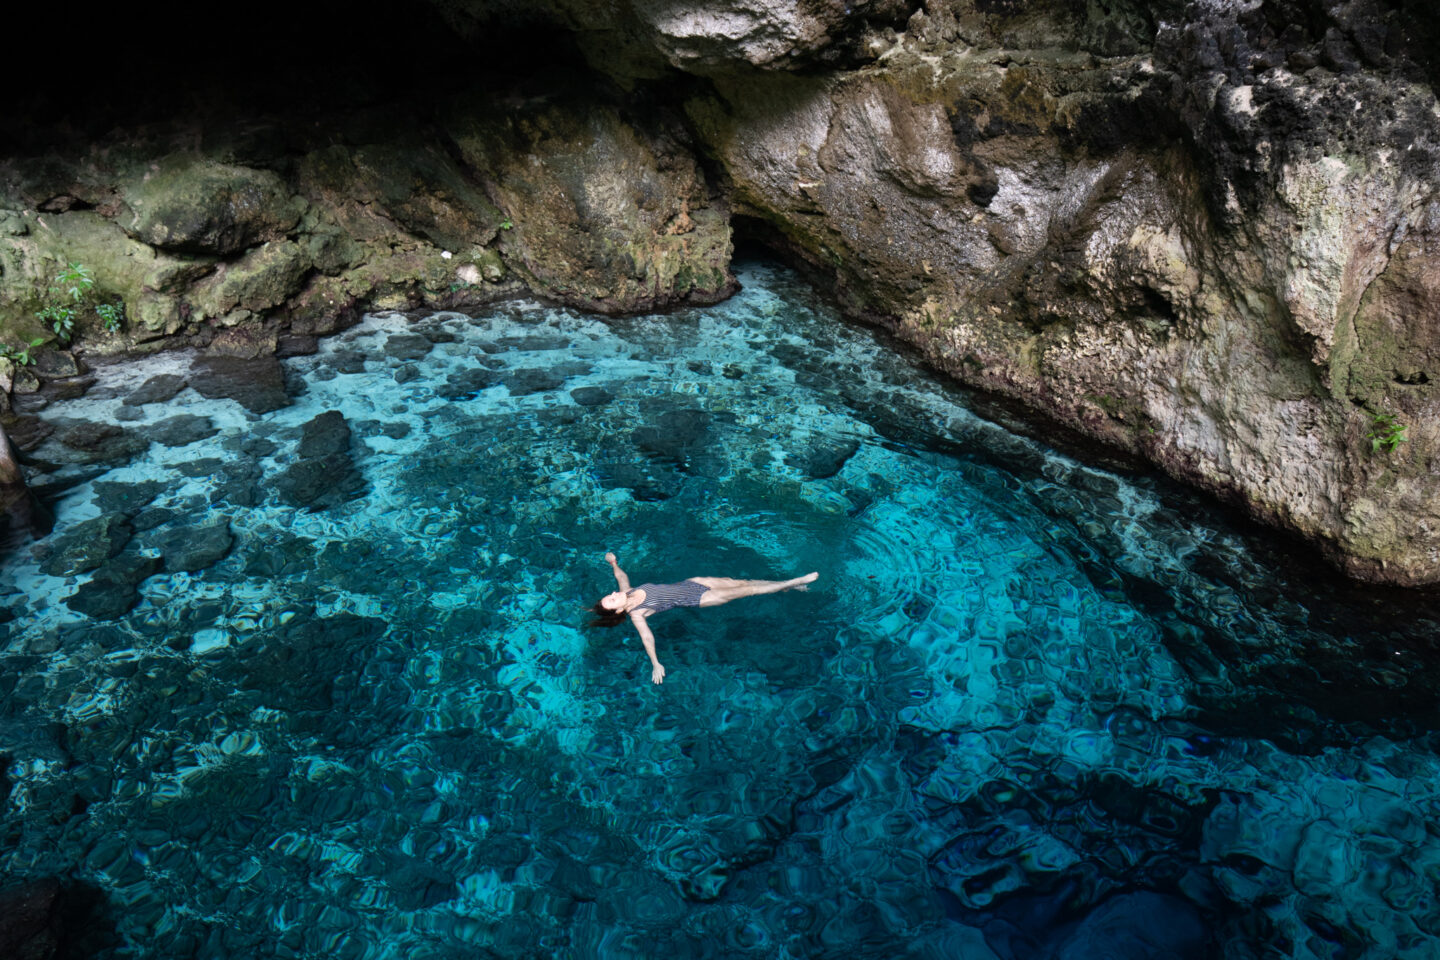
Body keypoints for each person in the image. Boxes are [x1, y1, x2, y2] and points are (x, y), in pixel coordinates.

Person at [589, 552, 818, 684]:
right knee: (750, 591)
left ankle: (787, 588)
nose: (612, 594)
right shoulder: (637, 613)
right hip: (703, 598)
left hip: (695, 583)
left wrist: (613, 563)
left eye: (608, 595)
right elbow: (647, 637)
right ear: (618, 611)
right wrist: (656, 663)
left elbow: (621, 576)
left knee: (744, 583)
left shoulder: (626, 591)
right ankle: (793, 582)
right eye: (610, 600)